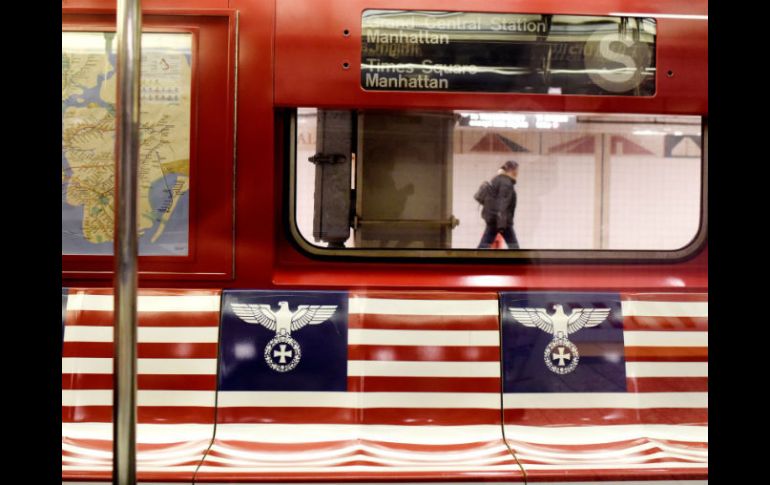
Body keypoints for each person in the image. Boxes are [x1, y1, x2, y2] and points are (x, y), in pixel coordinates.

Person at [478, 160, 520, 249]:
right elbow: (502, 203)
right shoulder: (506, 183)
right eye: (517, 170)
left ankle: (474, 257)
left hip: (494, 219)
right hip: (502, 221)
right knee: (514, 247)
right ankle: (518, 260)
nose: (517, 172)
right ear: (512, 170)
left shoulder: (497, 179)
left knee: (484, 244)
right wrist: (501, 225)